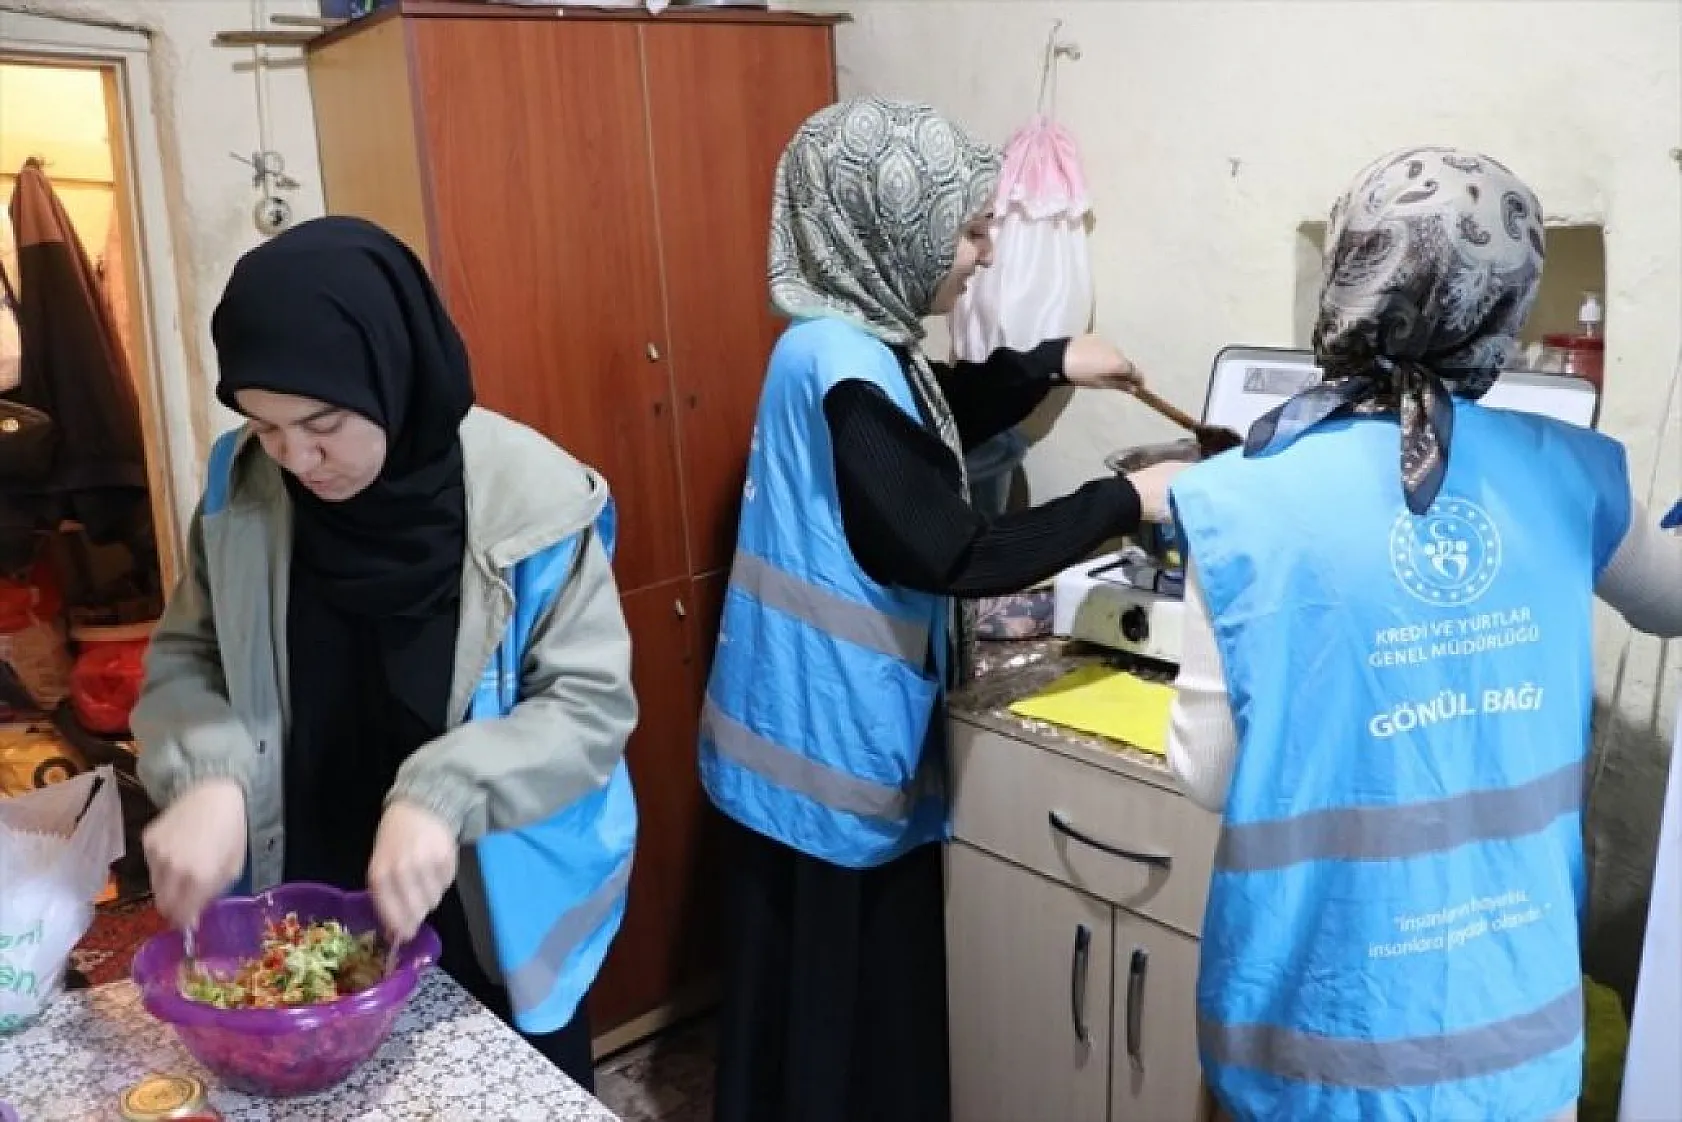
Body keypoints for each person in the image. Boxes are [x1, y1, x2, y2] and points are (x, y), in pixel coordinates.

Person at [1165, 148, 1682, 1122]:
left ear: (1349, 275)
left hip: (1312, 1036)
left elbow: (1205, 772)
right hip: (1511, 1044)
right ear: (1504, 304)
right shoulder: (1569, 473)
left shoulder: (1239, 498)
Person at [699, 97, 1185, 1122]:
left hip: (787, 731)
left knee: (806, 1003)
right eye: (967, 233)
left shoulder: (844, 344)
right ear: (890, 227)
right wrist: (1123, 501)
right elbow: (954, 545)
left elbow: (933, 419)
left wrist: (1048, 362)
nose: (975, 258)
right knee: (836, 1015)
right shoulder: (840, 371)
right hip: (819, 748)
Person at [133, 217, 637, 1090]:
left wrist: (443, 794)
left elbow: (588, 707)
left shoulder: (537, 500)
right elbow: (188, 658)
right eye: (266, 425)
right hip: (308, 906)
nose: (297, 456)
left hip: (489, 915)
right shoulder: (241, 487)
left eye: (322, 422)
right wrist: (206, 770)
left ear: (392, 372)